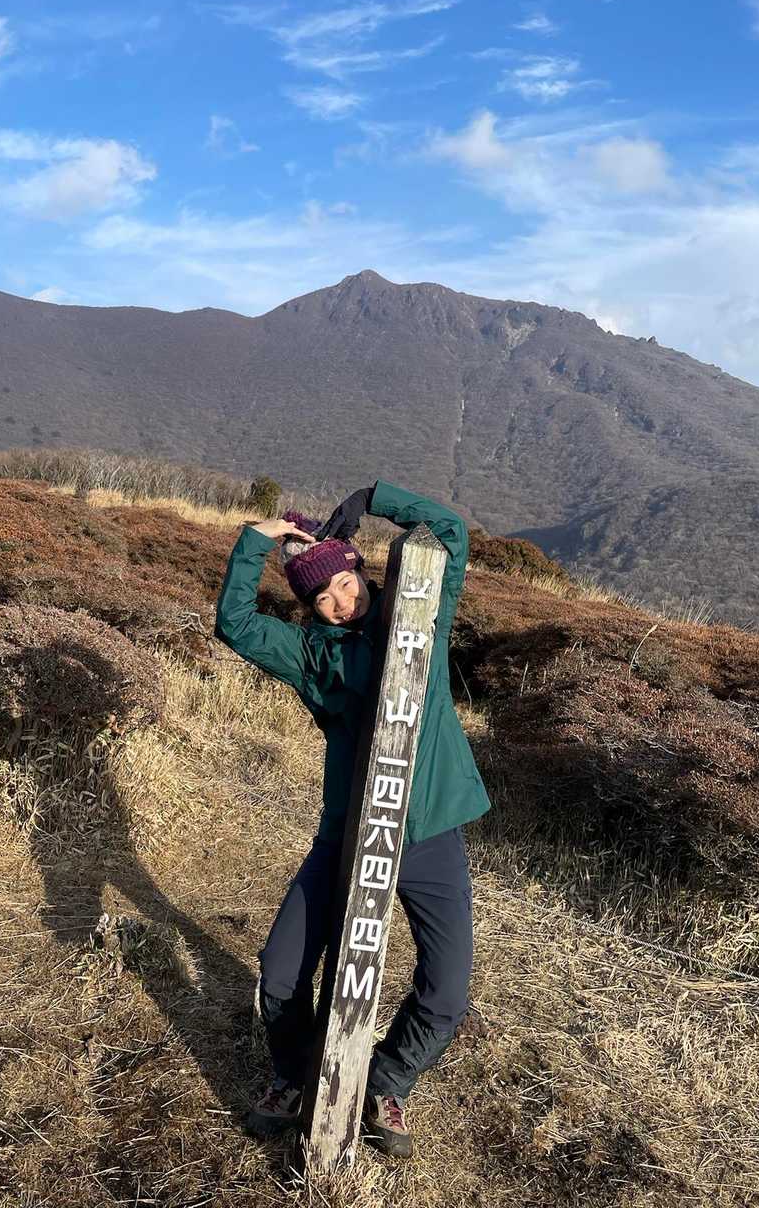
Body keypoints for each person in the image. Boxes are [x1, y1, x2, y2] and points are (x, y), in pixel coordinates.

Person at [214, 480, 490, 1159]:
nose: (340, 603)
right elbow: (236, 624)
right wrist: (256, 541)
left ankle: (386, 1082)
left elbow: (450, 533)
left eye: (343, 583)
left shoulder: (420, 618)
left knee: (447, 991)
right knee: (281, 973)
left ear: (358, 569)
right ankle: (295, 1075)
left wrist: (374, 497)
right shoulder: (313, 656)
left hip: (427, 832)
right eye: (321, 599)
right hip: (347, 836)